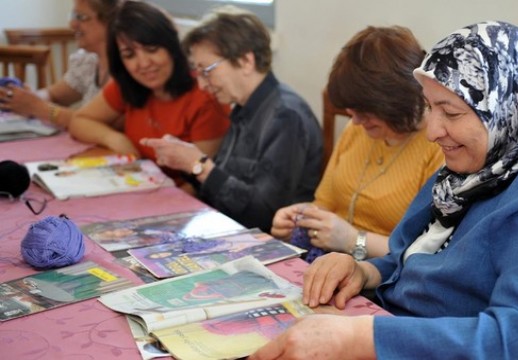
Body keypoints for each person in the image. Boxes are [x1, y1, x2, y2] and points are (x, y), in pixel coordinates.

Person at [250, 21, 518, 359]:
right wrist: (363, 271)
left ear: (508, 109)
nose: (433, 131)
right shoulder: (479, 169)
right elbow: (420, 258)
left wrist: (360, 337)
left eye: (451, 112)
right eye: (430, 108)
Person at [141, 7, 323, 233]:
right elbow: (224, 186)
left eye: (207, 70)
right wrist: (184, 159)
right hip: (227, 228)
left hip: (268, 243)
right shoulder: (243, 107)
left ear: (246, 60)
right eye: (198, 73)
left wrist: (199, 165)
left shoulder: (286, 116)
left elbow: (266, 214)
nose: (202, 85)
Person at [271, 26, 444, 261]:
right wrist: (300, 216)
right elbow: (325, 202)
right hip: (331, 260)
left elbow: (426, 251)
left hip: (384, 280)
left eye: (365, 112)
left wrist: (354, 240)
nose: (354, 121)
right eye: (352, 111)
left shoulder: (439, 147)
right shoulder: (359, 129)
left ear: (397, 102)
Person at [68, 0, 230, 167]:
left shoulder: (205, 95)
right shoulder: (128, 83)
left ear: (172, 47)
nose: (144, 64)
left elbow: (202, 177)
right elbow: (79, 121)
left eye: (152, 49)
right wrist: (114, 138)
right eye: (129, 55)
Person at [0, 0, 121, 128]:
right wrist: (26, 97)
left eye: (81, 17)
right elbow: (54, 95)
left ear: (110, 22)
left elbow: (100, 123)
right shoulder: (89, 62)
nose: (72, 24)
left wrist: (40, 108)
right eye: (73, 16)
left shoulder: (129, 68)